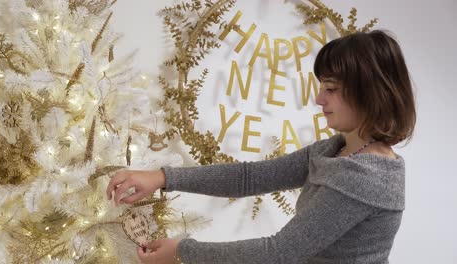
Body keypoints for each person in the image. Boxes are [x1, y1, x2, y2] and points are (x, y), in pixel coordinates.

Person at [106, 29, 416, 264]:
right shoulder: (334, 149)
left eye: (331, 90)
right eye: (321, 87)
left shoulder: (367, 176)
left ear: (371, 93)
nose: (319, 100)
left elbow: (280, 252)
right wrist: (162, 178)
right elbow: (249, 178)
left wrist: (183, 251)